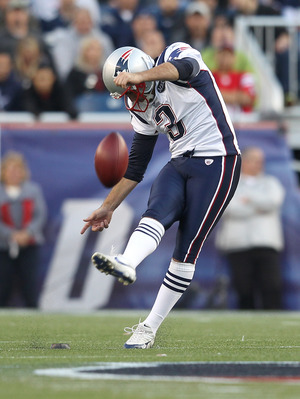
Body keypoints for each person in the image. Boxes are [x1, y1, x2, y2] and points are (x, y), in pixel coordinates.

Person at [81, 42, 241, 349]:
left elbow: (187, 68)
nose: (131, 97)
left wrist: (140, 77)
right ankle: (127, 262)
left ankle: (149, 328)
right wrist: (107, 206)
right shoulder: (142, 108)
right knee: (155, 211)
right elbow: (136, 168)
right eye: (125, 92)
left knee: (186, 250)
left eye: (131, 88)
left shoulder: (173, 56)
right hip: (180, 161)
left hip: (219, 159)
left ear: (142, 71)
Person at [215, 147, 285, 310]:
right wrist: (257, 207)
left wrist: (248, 200)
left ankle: (272, 326)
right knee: (243, 288)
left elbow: (273, 201)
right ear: (244, 161)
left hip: (266, 243)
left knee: (271, 286)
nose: (259, 164)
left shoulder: (271, 183)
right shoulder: (230, 184)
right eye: (254, 160)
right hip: (236, 244)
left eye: (261, 161)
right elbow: (228, 208)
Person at [0, 151, 47, 307]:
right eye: (10, 169)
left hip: (29, 244)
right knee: (3, 285)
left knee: (30, 285)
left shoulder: (33, 190)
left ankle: (34, 323)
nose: (14, 173)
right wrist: (10, 235)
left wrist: (27, 233)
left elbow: (40, 214)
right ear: (4, 171)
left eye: (17, 169)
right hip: (4, 246)